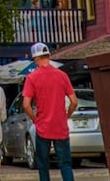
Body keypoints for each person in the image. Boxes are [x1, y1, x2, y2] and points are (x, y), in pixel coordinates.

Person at [22, 42, 76, 181]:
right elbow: (74, 101)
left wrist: (35, 119)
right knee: (65, 164)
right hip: (60, 125)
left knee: (43, 164)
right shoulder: (62, 75)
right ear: (48, 56)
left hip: (43, 126)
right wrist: (66, 115)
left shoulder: (32, 78)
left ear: (36, 58)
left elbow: (26, 104)